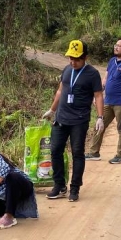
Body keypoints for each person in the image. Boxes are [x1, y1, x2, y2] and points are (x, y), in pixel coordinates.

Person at [42, 40, 104, 202]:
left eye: (77, 59)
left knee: (77, 153)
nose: (73, 62)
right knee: (55, 151)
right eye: (71, 58)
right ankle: (59, 185)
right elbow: (60, 91)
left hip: (79, 120)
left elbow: (98, 95)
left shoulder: (92, 74)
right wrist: (52, 110)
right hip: (61, 118)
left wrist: (100, 117)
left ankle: (75, 188)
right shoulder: (67, 70)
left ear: (85, 57)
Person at [86, 37, 121, 164]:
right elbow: (106, 78)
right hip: (108, 101)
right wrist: (98, 93)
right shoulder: (112, 61)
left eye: (119, 45)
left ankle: (120, 155)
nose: (116, 47)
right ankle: (94, 152)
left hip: (120, 102)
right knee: (99, 124)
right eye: (115, 45)